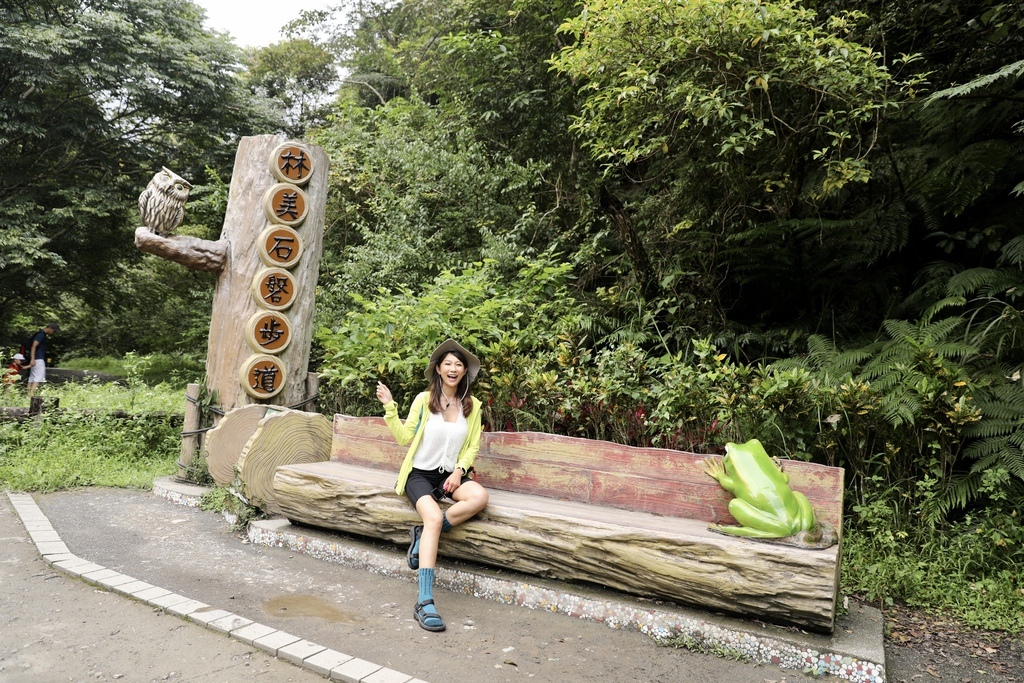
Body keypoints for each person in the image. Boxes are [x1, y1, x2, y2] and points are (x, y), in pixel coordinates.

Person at [375, 339, 489, 633]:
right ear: (438, 369)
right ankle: (424, 601)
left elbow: (473, 444)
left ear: (464, 372)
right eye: (448, 364)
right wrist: (390, 407)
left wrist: (460, 470)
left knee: (479, 497)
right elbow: (404, 437)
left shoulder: (472, 406)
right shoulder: (422, 401)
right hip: (420, 476)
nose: (453, 369)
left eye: (459, 365)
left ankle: (422, 534)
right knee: (435, 517)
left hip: (450, 476)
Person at [27, 322, 59, 397]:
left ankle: (28, 395)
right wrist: (33, 358)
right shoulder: (41, 335)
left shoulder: (40, 334)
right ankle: (32, 395)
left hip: (35, 358)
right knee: (38, 378)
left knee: (32, 377)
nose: (53, 333)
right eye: (54, 331)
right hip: (38, 359)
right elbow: (34, 346)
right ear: (50, 328)